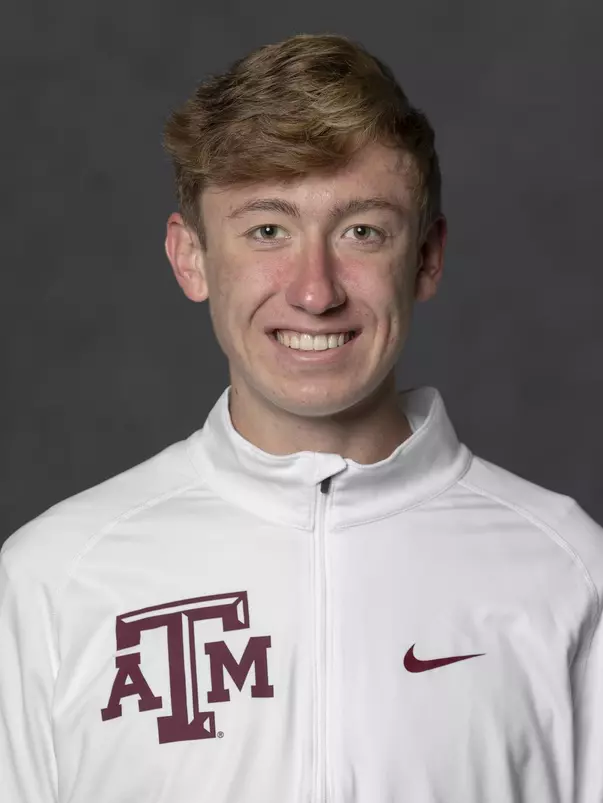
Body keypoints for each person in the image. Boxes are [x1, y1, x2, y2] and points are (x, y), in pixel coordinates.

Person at [1, 32, 602, 803]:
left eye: (361, 231)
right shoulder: (58, 574)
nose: (314, 290)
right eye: (266, 230)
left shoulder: (568, 572)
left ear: (425, 257)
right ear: (191, 258)